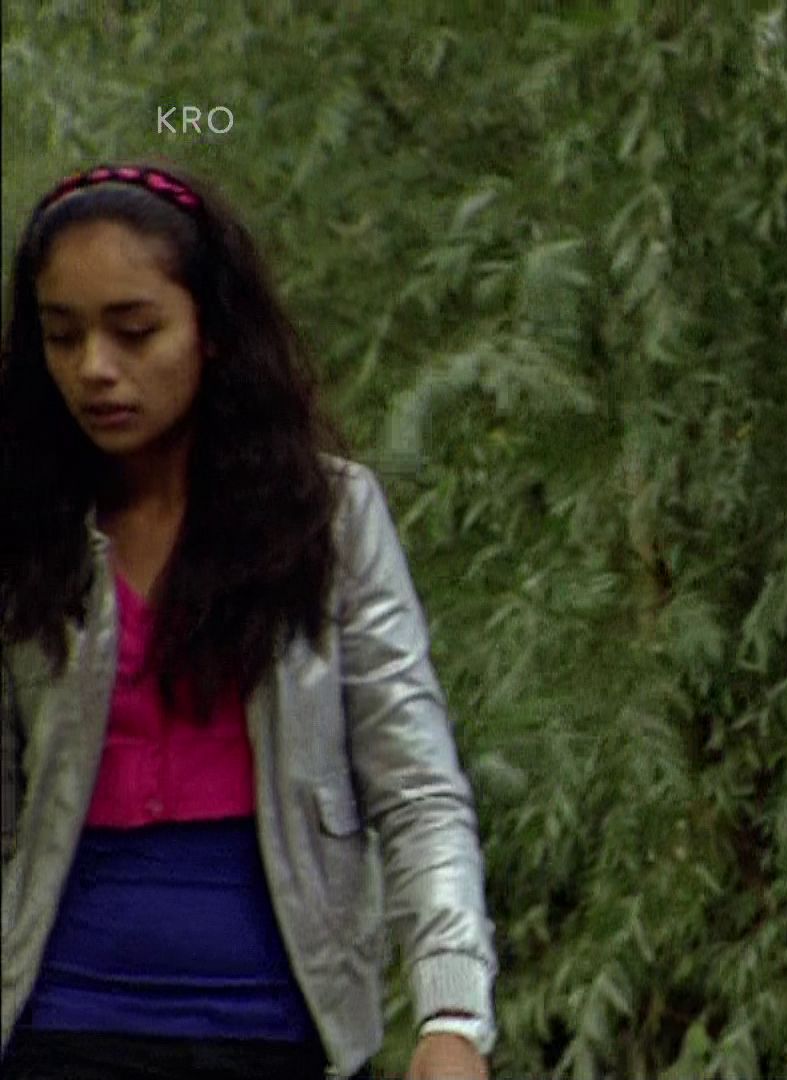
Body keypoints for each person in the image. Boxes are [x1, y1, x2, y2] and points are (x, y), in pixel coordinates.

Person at [0, 163, 497, 1080]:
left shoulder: (326, 519)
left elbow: (416, 788)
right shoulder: (24, 528)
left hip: (277, 1029)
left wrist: (452, 1014)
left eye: (135, 331)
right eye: (61, 336)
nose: (95, 368)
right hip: (60, 1020)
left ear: (214, 330)